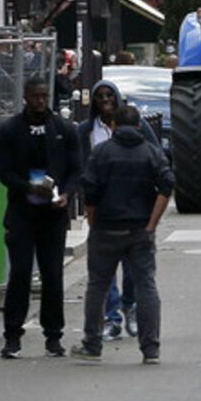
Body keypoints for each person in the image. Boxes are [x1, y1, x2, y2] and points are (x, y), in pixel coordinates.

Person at [73, 104, 174, 363]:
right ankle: (150, 348)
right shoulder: (151, 152)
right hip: (140, 228)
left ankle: (92, 343)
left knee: (98, 286)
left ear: (114, 126)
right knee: (146, 287)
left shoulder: (102, 152)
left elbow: (90, 191)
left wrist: (94, 224)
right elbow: (166, 185)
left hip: (106, 227)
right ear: (140, 125)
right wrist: (152, 224)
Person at [0, 75, 82, 358]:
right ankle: (12, 336)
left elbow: (76, 168)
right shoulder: (10, 130)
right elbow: (4, 171)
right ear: (25, 97)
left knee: (53, 275)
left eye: (44, 95)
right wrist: (26, 187)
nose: (40, 101)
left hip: (53, 215)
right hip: (21, 211)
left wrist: (66, 195)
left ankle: (53, 336)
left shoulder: (64, 129)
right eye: (35, 96)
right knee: (19, 273)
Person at [79, 79, 162, 340]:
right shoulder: (86, 131)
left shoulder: (138, 126)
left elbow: (157, 158)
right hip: (104, 207)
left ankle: (130, 306)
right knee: (104, 275)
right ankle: (111, 317)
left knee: (132, 270)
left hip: (135, 205)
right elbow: (82, 165)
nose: (106, 100)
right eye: (100, 96)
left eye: (109, 95)